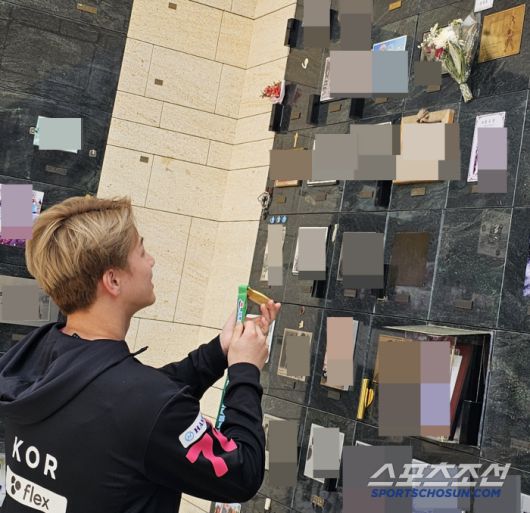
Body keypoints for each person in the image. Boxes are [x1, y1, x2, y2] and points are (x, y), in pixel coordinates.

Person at [0, 195, 281, 512]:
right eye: (142, 251)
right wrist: (245, 369)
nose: (152, 261)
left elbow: (123, 400)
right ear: (113, 280)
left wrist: (220, 350)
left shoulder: (35, 355)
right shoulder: (141, 402)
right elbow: (242, 471)